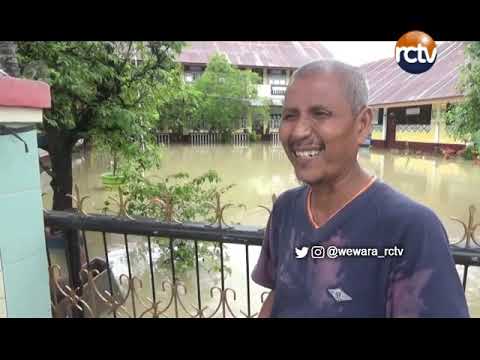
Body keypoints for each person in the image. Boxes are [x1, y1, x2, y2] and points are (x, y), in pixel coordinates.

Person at [251, 60, 469, 318]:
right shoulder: (285, 209)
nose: (298, 131)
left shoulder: (411, 228)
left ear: (363, 124)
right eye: (289, 116)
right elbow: (279, 295)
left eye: (320, 114)